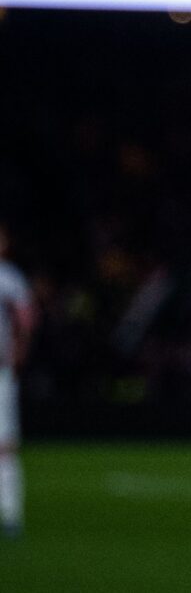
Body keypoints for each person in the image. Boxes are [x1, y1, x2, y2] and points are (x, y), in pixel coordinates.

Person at [0, 223, 33, 540]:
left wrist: (18, 354)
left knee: (5, 445)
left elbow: (25, 319)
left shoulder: (9, 278)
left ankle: (11, 514)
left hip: (0, 372)